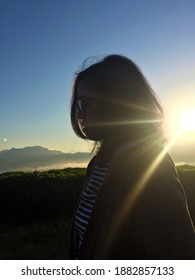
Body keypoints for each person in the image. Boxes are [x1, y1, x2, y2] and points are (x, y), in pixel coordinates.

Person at [69, 54, 195, 259]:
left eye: (86, 102)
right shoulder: (98, 164)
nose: (79, 114)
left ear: (120, 102)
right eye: (78, 104)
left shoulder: (148, 168)